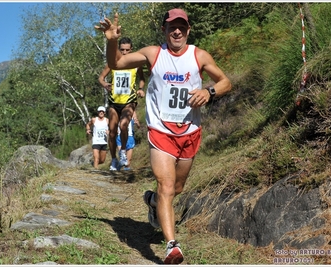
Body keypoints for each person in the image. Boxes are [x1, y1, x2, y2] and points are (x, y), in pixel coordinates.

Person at [96, 8, 232, 264]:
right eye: (172, 27)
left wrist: (209, 92)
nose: (177, 30)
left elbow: (225, 81)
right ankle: (172, 246)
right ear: (165, 30)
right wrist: (112, 40)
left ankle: (152, 202)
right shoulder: (153, 54)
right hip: (160, 131)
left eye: (181, 26)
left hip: (190, 131)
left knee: (177, 187)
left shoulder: (199, 56)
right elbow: (116, 64)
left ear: (188, 30)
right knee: (167, 186)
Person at [98, 37, 145, 171]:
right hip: (114, 102)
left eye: (127, 50)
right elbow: (100, 78)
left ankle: (123, 151)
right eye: (122, 50)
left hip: (129, 101)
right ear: (119, 49)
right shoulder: (113, 63)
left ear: (131, 49)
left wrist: (141, 89)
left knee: (124, 125)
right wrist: (105, 84)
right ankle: (114, 160)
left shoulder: (136, 64)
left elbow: (142, 78)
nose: (124, 53)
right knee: (112, 132)